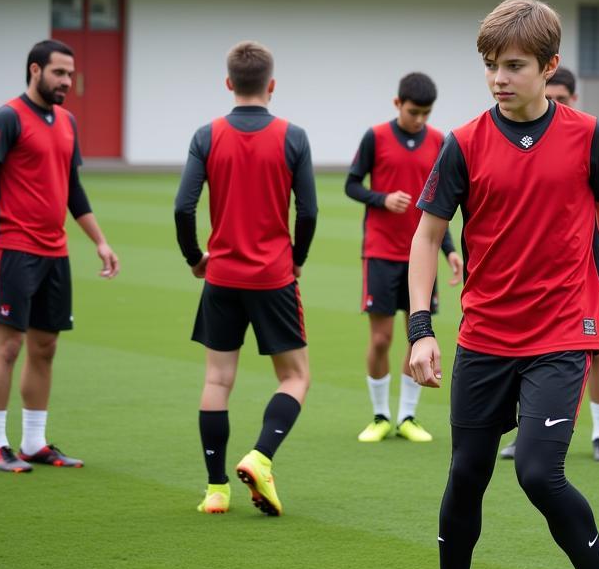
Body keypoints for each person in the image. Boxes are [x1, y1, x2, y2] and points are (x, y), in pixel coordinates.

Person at [403, 0, 599, 569]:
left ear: (549, 66)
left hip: (559, 336)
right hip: (484, 338)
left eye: (514, 65)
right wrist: (421, 328)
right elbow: (426, 234)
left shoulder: (586, 135)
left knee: (536, 473)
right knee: (467, 472)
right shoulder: (463, 143)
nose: (499, 76)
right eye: (491, 64)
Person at [174, 41, 317, 516]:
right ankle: (260, 456)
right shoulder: (293, 136)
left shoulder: (206, 135)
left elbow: (183, 207)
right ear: (271, 85)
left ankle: (216, 490)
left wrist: (196, 257)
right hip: (274, 276)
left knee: (217, 380)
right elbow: (309, 210)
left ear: (229, 83)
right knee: (295, 377)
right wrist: (296, 258)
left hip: (222, 276)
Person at [0, 39, 120, 473]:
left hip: (55, 251)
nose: (67, 82)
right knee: (9, 345)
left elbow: (73, 189)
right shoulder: (7, 117)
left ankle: (33, 441)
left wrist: (100, 240)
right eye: (59, 73)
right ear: (35, 71)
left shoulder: (68, 122)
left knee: (46, 345)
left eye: (71, 75)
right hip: (15, 247)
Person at [500, 66, 599, 462]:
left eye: (562, 98)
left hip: (585, 258)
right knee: (526, 345)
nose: (555, 103)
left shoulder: (584, 134)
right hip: (537, 265)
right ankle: (527, 427)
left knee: (598, 348)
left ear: (574, 98)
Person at [345, 72, 463, 444]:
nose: (420, 120)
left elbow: (441, 207)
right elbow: (351, 184)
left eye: (426, 113)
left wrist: (451, 251)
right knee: (381, 338)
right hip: (380, 252)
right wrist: (381, 199)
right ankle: (380, 415)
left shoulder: (439, 142)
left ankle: (407, 417)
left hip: (420, 257)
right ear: (398, 104)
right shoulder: (374, 137)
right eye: (414, 112)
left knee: (417, 337)